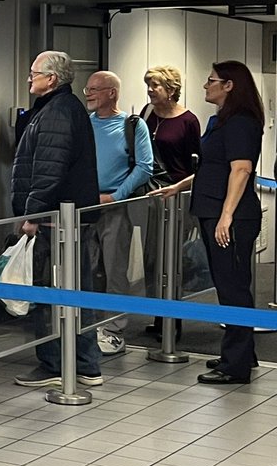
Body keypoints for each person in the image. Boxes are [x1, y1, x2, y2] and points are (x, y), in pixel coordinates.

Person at [155, 61, 264, 385]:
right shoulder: (221, 122)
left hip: (230, 216)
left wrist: (226, 216)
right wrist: (180, 186)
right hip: (214, 211)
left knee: (233, 289)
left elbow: (241, 170)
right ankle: (242, 353)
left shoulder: (241, 123)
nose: (205, 85)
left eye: (211, 80)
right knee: (229, 286)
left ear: (229, 85)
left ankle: (236, 366)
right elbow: (213, 166)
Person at [11, 50, 103, 389]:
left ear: (51, 79)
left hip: (57, 220)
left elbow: (49, 170)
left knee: (52, 292)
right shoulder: (61, 108)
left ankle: (55, 363)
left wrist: (32, 214)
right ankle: (84, 363)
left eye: (34, 73)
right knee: (76, 290)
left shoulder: (57, 112)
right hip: (68, 216)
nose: (29, 78)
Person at [83, 71, 153, 356]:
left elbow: (144, 166)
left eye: (94, 89)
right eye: (87, 88)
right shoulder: (84, 125)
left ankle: (113, 330)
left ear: (112, 93)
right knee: (86, 269)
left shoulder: (133, 126)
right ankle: (87, 326)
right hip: (85, 209)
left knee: (114, 270)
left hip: (115, 208)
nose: (88, 93)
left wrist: (115, 196)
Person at [141, 65, 200, 337]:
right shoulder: (146, 114)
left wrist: (181, 188)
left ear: (172, 90)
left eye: (156, 86)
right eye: (149, 85)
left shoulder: (188, 121)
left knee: (173, 258)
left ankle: (173, 320)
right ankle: (158, 315)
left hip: (177, 195)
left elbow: (197, 164)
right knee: (153, 257)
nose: (151, 90)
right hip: (151, 194)